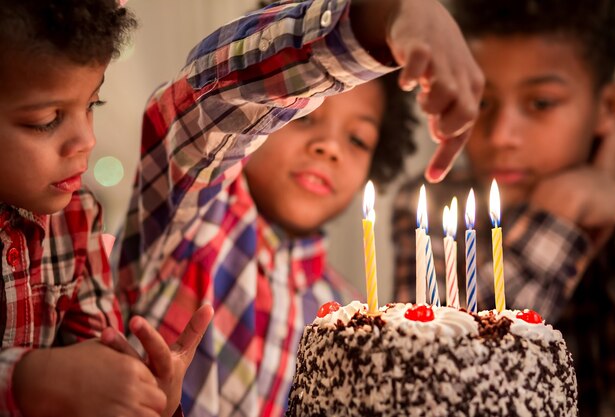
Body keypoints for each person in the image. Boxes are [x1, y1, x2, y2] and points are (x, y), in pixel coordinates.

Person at [114, 0, 484, 415]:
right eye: (305, 119)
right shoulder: (189, 221)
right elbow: (209, 103)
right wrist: (381, 17)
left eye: (357, 140)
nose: (328, 148)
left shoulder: (351, 314)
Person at [392, 0, 615, 415]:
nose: (501, 136)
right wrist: (557, 218)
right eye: (482, 102)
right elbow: (443, 385)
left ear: (609, 107)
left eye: (540, 103)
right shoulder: (432, 205)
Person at [0, 1, 212, 416]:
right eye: (46, 119)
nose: (86, 140)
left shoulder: (79, 216)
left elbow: (96, 366)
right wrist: (27, 381)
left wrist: (148, 395)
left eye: (91, 105)